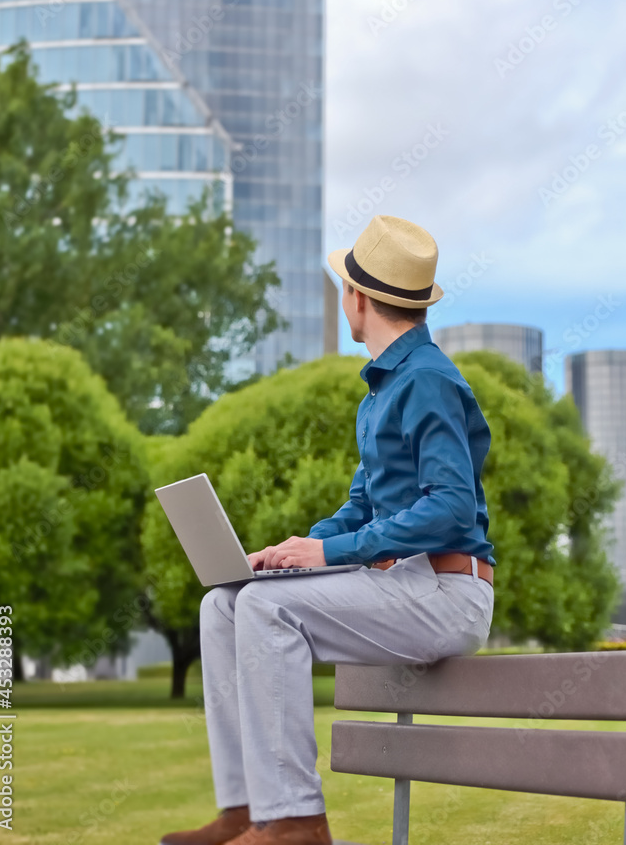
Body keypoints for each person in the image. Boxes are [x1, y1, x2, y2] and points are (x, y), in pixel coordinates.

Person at [160, 214, 495, 845]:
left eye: (344, 286)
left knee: (264, 610)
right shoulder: (383, 391)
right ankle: (248, 808)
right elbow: (362, 508)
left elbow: (450, 508)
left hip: (450, 594)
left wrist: (330, 551)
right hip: (406, 590)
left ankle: (296, 822)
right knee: (224, 606)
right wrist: (296, 552)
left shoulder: (426, 380)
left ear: (358, 298)